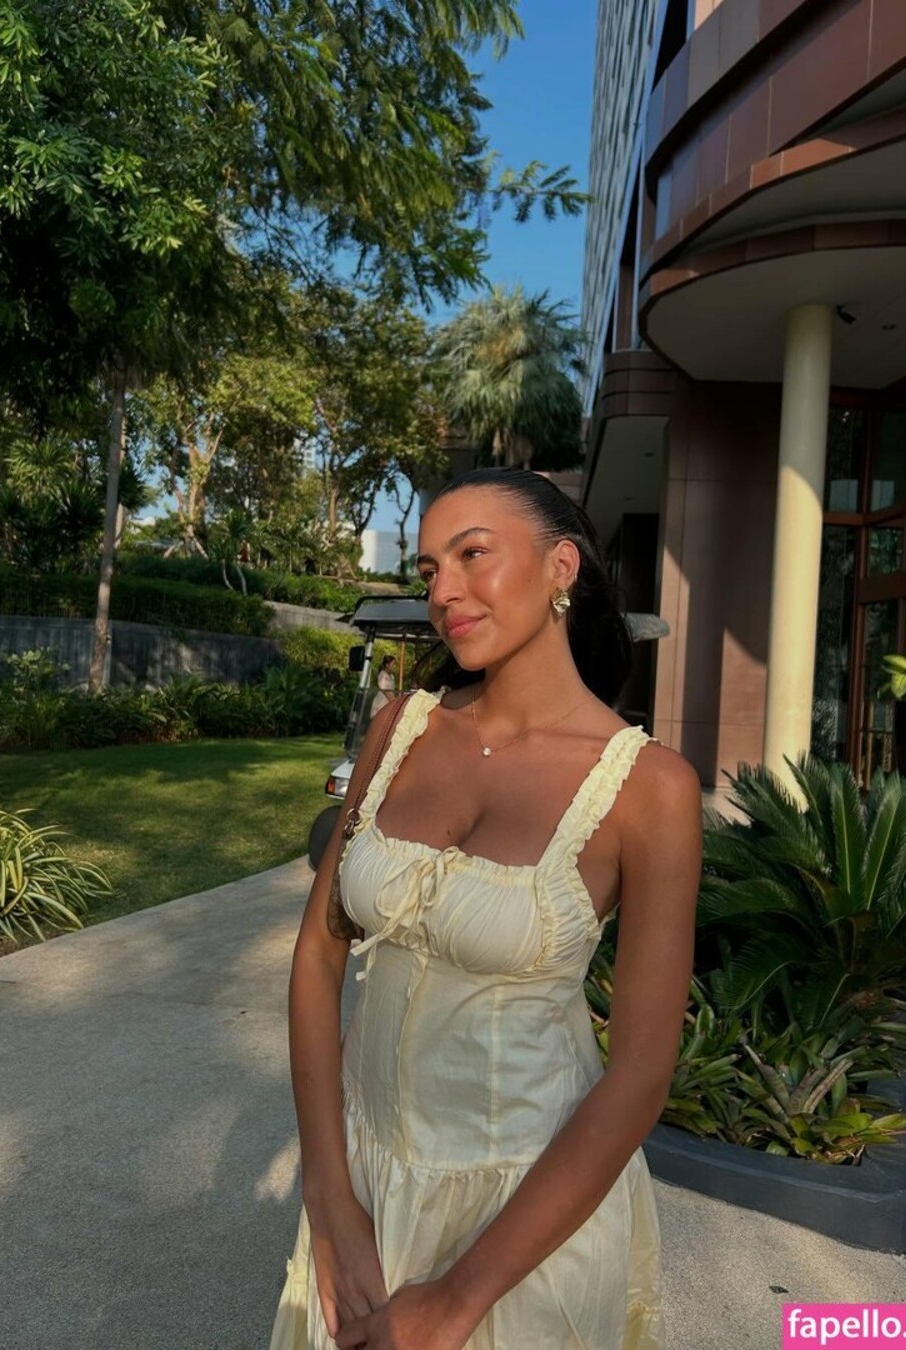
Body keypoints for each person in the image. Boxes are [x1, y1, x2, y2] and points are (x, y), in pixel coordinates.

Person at [270, 468, 701, 1350]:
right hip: (366, 1189)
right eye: (431, 570)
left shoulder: (649, 787)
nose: (444, 591)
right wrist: (329, 1194)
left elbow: (639, 1077)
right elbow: (317, 955)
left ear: (560, 568)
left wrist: (456, 1301)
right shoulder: (401, 730)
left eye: (473, 554)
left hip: (530, 1225)